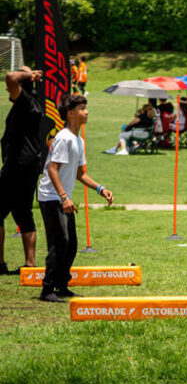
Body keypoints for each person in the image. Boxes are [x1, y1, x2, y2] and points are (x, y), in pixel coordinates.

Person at [37, 93, 113, 303]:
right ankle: (47, 289)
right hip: (51, 197)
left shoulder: (78, 140)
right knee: (60, 242)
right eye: (82, 109)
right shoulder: (64, 138)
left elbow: (81, 174)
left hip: (62, 197)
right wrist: (64, 197)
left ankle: (62, 286)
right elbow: (52, 169)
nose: (86, 112)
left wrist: (100, 189)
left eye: (85, 108)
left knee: (71, 244)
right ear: (70, 113)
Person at [0, 67, 44, 275]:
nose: (7, 87)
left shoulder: (25, 101)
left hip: (18, 165)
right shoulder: (31, 102)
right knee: (22, 211)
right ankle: (30, 265)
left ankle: (1, 263)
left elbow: (10, 77)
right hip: (28, 164)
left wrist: (29, 74)